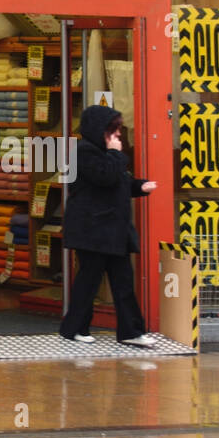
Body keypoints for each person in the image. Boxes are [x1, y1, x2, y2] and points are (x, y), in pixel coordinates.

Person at [59, 104, 158, 347]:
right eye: (112, 131)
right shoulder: (84, 152)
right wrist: (115, 153)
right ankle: (74, 329)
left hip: (112, 231)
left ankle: (131, 331)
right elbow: (104, 177)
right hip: (92, 230)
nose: (117, 136)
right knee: (89, 281)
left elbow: (119, 182)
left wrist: (139, 187)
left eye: (117, 131)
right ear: (97, 130)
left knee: (123, 281)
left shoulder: (104, 152)